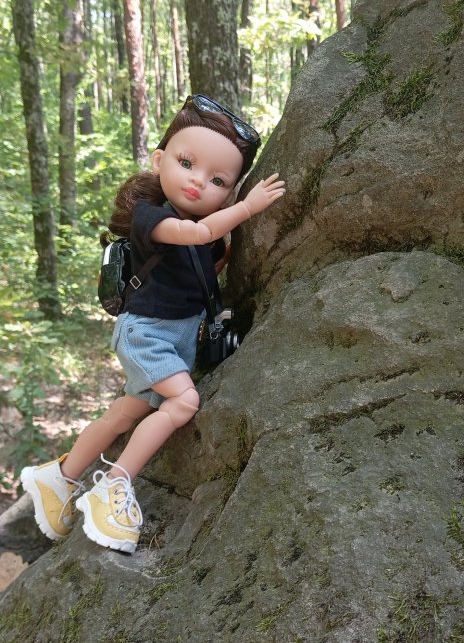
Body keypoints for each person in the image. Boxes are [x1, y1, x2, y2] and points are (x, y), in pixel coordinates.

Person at [19, 95, 285, 554]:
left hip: (171, 337)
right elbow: (196, 234)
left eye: (218, 180)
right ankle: (114, 485)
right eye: (187, 163)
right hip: (147, 334)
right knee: (183, 401)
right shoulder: (152, 218)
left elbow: (198, 265)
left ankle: (58, 478)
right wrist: (247, 208)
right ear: (160, 160)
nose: (199, 183)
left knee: (124, 412)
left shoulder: (200, 226)